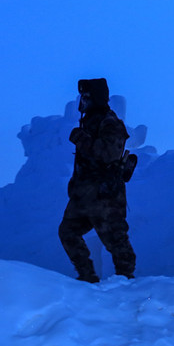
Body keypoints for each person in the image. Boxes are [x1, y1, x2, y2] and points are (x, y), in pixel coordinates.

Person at [58, 78, 136, 282]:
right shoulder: (90, 121)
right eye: (82, 97)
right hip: (84, 196)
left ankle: (127, 282)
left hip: (105, 196)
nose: (82, 101)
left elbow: (108, 154)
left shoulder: (110, 122)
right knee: (67, 232)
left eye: (86, 97)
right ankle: (87, 276)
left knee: (116, 241)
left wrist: (81, 139)